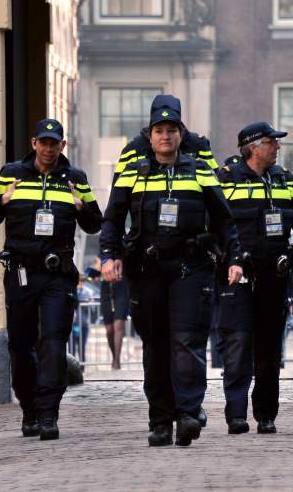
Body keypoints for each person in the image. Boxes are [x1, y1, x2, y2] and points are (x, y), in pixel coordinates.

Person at [99, 96, 243, 447]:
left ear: (181, 134)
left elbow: (225, 220)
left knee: (187, 342)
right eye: (159, 131)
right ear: (150, 136)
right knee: (155, 346)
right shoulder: (133, 172)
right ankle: (160, 420)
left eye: (172, 130)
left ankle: (188, 413)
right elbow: (113, 218)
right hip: (147, 270)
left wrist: (234, 258)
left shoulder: (199, 170)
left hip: (189, 268)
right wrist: (108, 256)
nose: (165, 137)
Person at [0, 118, 102, 440]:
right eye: (43, 142)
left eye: (55, 143)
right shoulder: (11, 174)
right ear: (34, 143)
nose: (49, 149)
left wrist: (81, 206)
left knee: (52, 341)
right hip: (20, 273)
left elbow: (94, 224)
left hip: (57, 276)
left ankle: (49, 413)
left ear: (63, 146)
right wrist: (3, 200)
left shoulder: (75, 178)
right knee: (21, 346)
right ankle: (29, 409)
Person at [214, 122, 293, 434]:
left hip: (273, 278)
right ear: (253, 147)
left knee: (269, 350)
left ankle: (266, 414)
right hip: (237, 277)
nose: (277, 147)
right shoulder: (226, 179)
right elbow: (215, 226)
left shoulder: (284, 179)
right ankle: (236, 414)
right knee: (238, 345)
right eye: (271, 142)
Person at [96, 258, 131, 370]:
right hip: (106, 288)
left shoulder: (123, 249)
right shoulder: (103, 253)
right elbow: (96, 268)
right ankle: (114, 356)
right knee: (109, 329)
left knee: (118, 324)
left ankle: (116, 361)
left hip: (121, 286)